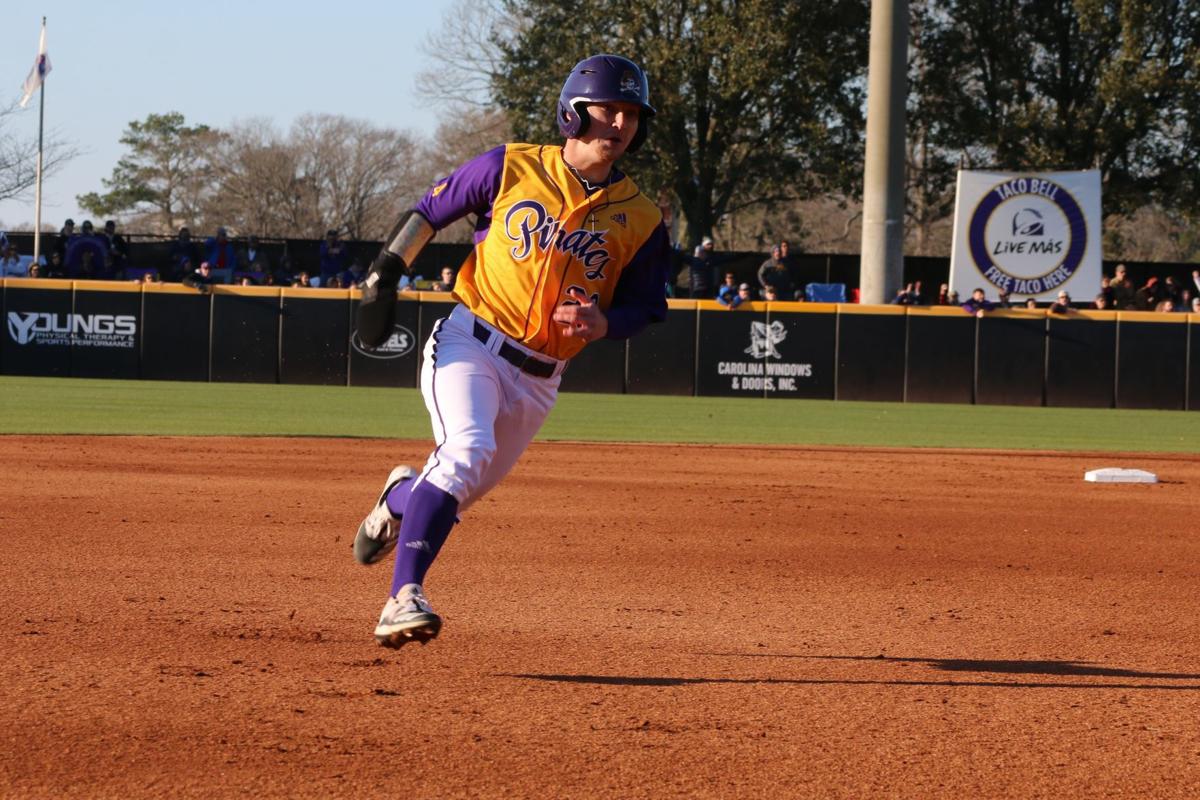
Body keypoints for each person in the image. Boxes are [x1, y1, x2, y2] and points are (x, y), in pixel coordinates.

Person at [351, 53, 668, 649]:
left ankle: (398, 498)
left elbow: (648, 306)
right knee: (466, 451)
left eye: (631, 114)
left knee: (457, 484)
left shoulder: (643, 218)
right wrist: (386, 271)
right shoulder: (511, 166)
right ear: (573, 113)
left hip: (542, 378)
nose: (620, 124)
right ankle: (403, 597)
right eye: (608, 109)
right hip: (471, 341)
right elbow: (430, 211)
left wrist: (605, 323)